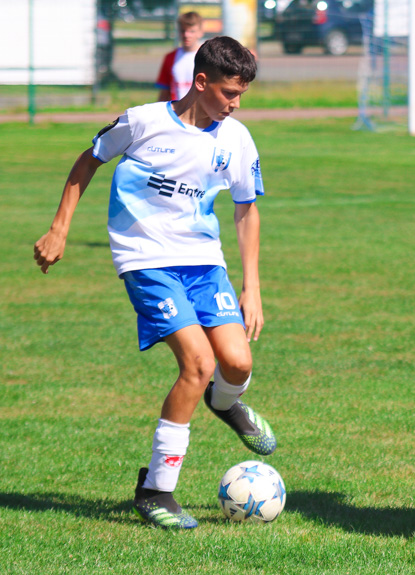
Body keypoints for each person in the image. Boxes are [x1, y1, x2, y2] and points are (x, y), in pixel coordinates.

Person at [33, 36, 276, 529]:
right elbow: (89, 160)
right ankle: (156, 491)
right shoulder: (143, 121)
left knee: (237, 361)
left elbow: (246, 212)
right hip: (145, 260)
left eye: (242, 95)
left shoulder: (237, 139)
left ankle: (224, 402)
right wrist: (59, 228)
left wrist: (252, 287)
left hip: (204, 263)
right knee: (198, 362)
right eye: (229, 92)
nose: (235, 103)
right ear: (200, 81)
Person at [156, 11, 205, 102]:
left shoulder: (207, 58)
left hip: (201, 112)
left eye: (192, 31)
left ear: (200, 32)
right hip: (176, 112)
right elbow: (164, 93)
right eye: (183, 31)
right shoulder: (170, 57)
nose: (186, 35)